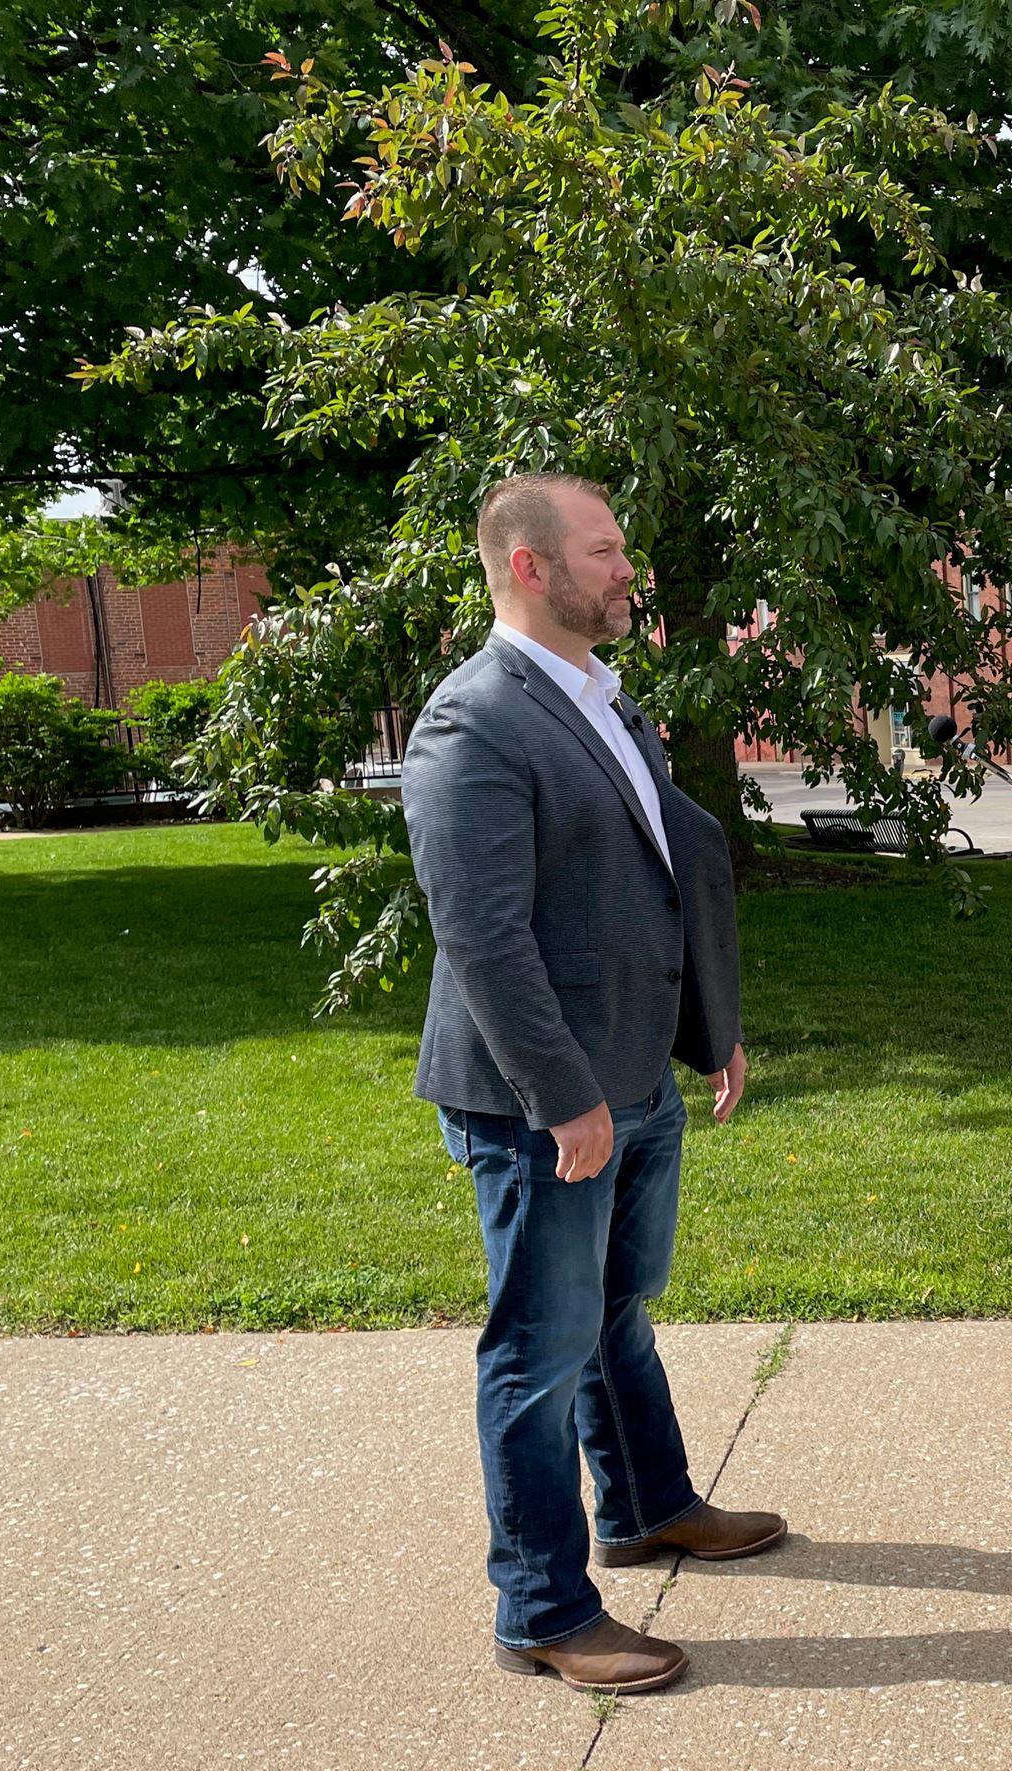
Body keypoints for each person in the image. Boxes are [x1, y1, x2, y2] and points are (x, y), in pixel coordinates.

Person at [402, 472, 785, 1694]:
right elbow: (483, 935)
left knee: (616, 1311)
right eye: (606, 549)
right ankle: (543, 1608)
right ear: (530, 565)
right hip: (544, 1104)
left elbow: (673, 869)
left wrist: (708, 1028)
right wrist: (560, 1096)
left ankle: (649, 1505)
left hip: (634, 1075)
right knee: (538, 1347)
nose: (628, 570)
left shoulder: (604, 701)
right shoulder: (474, 720)